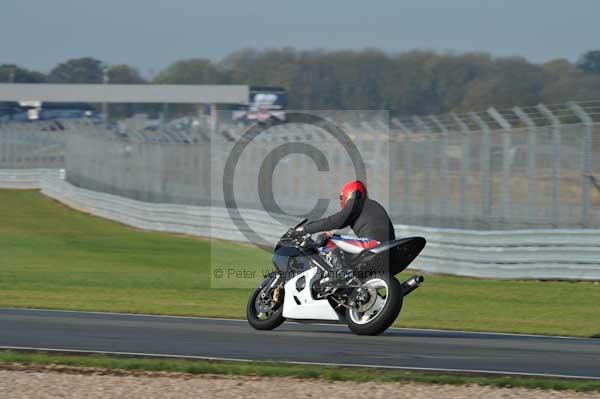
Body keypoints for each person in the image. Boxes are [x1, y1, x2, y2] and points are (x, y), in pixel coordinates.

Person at [288, 180, 395, 272]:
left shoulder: (357, 203)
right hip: (388, 248)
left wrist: (305, 229)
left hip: (373, 244)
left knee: (326, 239)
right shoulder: (371, 206)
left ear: (348, 194)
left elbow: (334, 221)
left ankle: (340, 274)